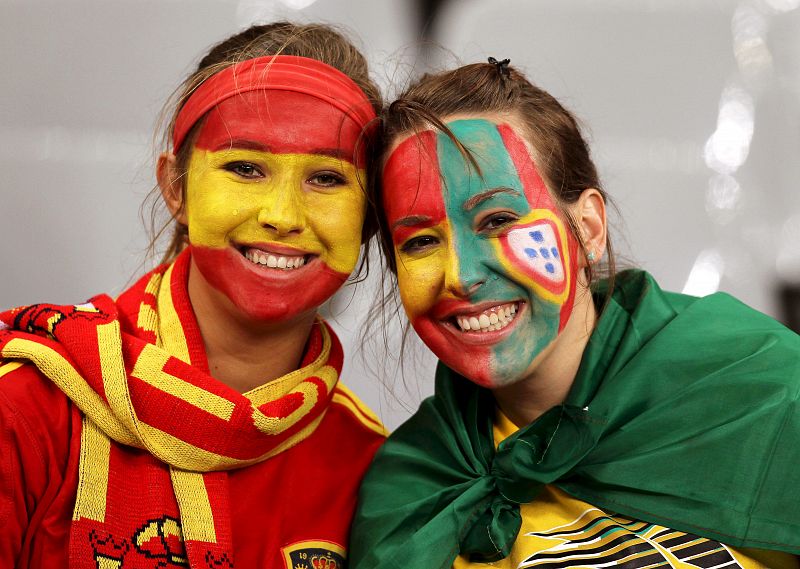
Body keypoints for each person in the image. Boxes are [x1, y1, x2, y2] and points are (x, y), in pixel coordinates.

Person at [350, 58, 800, 568]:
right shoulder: (409, 495)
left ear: (587, 227)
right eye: (422, 241)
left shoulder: (766, 391)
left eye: (498, 220)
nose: (460, 274)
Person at [0, 22, 386, 568]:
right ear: (175, 187)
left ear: (370, 216)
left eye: (327, 178)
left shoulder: (372, 465)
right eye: (245, 168)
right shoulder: (27, 408)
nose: (281, 216)